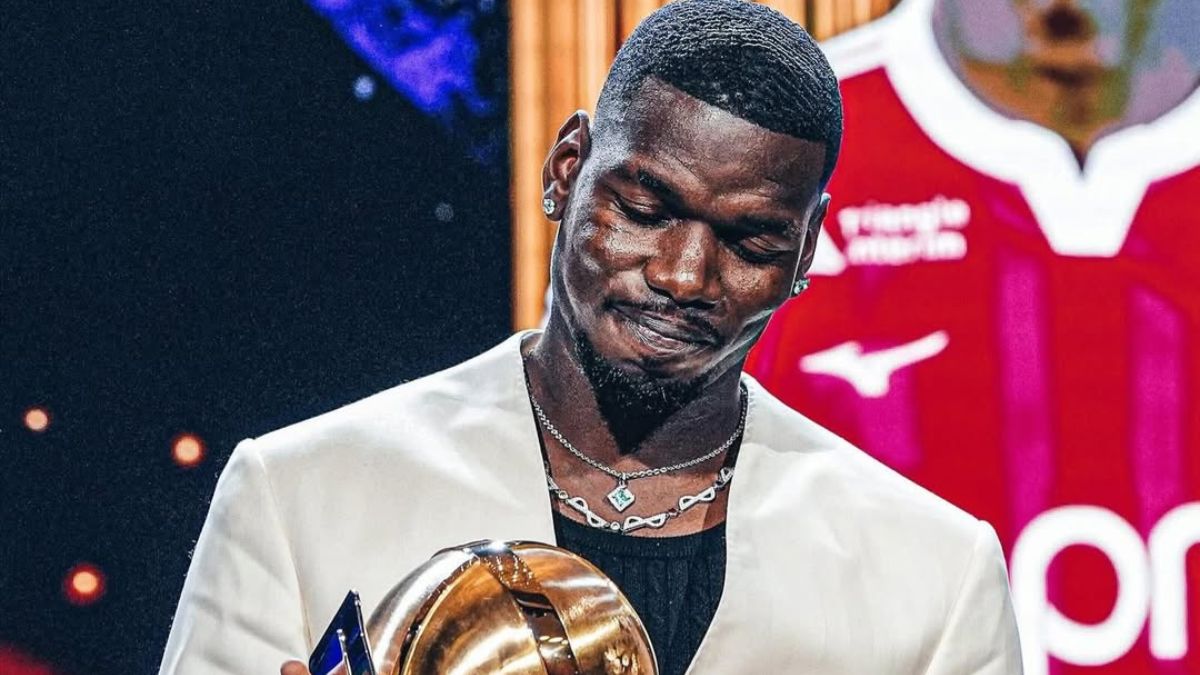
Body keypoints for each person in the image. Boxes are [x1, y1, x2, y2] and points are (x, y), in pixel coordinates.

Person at [160, 1, 1022, 673]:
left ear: (804, 253)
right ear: (566, 169)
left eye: (750, 242)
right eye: (645, 209)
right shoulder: (300, 495)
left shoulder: (934, 577)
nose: (684, 275)